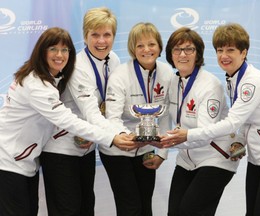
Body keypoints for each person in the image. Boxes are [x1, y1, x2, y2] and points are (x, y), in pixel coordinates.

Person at [0, 27, 134, 216]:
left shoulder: (48, 77)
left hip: (24, 161)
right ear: (42, 51)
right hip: (8, 163)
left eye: (65, 50)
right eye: (53, 49)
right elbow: (68, 120)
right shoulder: (37, 85)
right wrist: (112, 137)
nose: (60, 55)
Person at [162, 23, 260, 216]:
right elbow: (246, 121)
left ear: (243, 52)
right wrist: (239, 141)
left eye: (231, 50)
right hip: (259, 156)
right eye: (220, 50)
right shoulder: (234, 78)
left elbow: (232, 122)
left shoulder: (251, 82)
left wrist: (187, 135)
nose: (224, 55)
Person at [40, 8, 131, 216]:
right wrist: (117, 136)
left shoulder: (114, 60)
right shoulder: (77, 65)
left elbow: (111, 104)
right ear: (85, 36)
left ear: (114, 36)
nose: (101, 41)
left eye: (107, 34)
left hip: (86, 148)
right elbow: (91, 113)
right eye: (95, 35)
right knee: (67, 210)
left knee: (86, 208)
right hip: (60, 150)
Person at [163, 27, 242, 216]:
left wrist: (173, 140)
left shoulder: (210, 84)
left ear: (197, 53)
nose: (183, 54)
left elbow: (206, 133)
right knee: (174, 212)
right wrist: (160, 147)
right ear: (170, 54)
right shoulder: (172, 82)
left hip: (216, 157)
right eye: (177, 49)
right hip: (187, 158)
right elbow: (165, 117)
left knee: (191, 211)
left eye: (189, 49)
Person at [100, 22, 174, 216]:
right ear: (133, 49)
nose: (146, 50)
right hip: (118, 150)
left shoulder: (167, 73)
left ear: (159, 46)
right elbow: (112, 118)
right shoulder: (120, 76)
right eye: (140, 45)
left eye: (151, 44)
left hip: (147, 149)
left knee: (145, 204)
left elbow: (166, 116)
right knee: (129, 207)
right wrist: (126, 138)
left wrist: (162, 153)